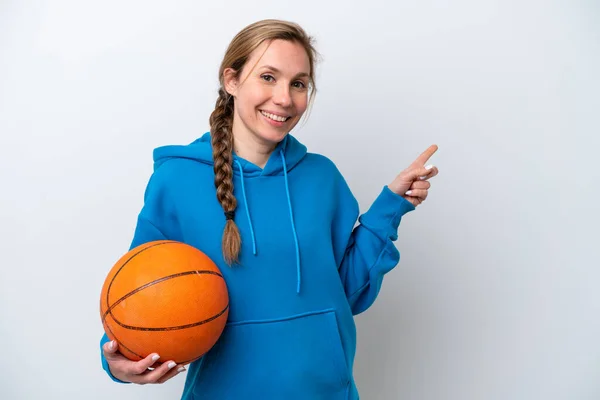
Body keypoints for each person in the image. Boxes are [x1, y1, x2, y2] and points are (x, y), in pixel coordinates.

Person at [100, 18, 439, 400]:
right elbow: (136, 295)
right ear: (231, 81)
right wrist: (116, 359)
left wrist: (390, 207)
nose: (284, 98)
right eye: (267, 77)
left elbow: (350, 292)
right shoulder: (177, 182)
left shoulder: (322, 177)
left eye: (298, 83)